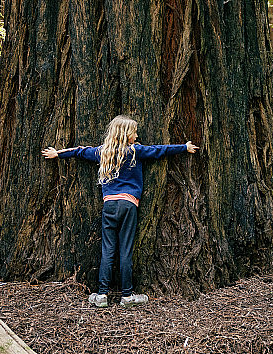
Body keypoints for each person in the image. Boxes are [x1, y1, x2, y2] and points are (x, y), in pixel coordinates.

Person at [42, 115, 199, 307]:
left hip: (109, 205)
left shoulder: (103, 152)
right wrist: (184, 147)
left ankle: (101, 295)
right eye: (134, 132)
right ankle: (127, 296)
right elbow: (159, 150)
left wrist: (58, 153)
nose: (137, 134)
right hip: (128, 204)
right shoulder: (135, 151)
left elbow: (80, 152)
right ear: (126, 134)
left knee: (107, 249)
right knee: (125, 250)